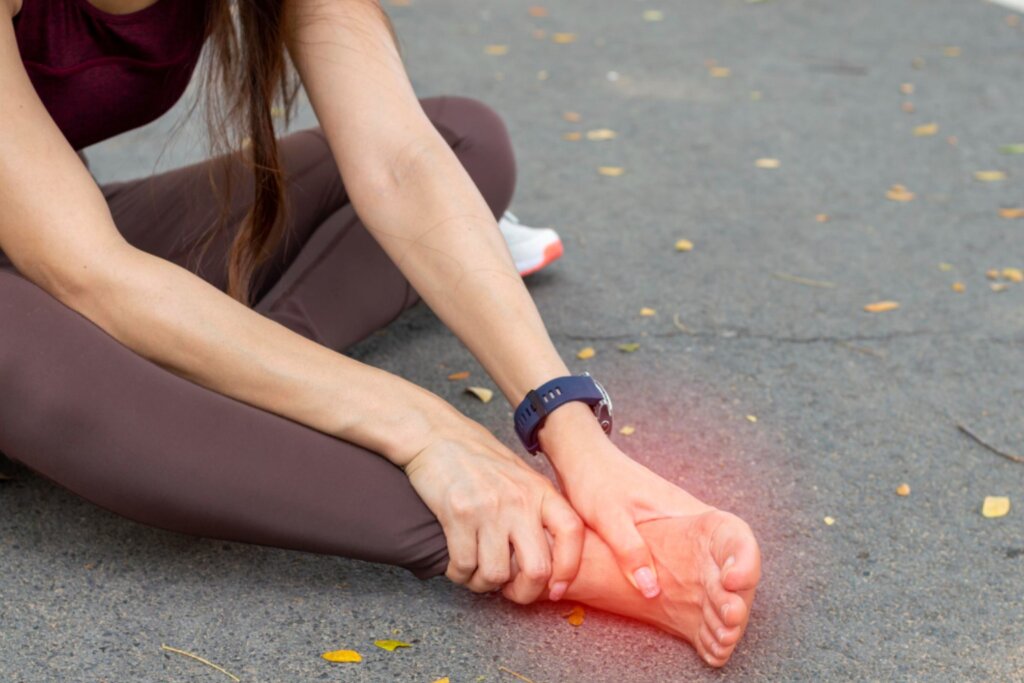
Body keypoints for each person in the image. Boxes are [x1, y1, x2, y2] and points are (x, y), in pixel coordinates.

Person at [0, 0, 761, 667]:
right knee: (55, 369)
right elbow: (89, 271)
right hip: (52, 260)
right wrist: (424, 427)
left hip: (35, 222)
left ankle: (222, 406)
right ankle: (563, 551)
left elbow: (401, 162)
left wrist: (567, 423)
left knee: (465, 141)